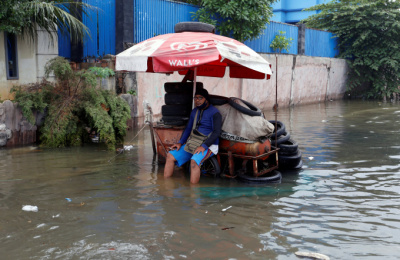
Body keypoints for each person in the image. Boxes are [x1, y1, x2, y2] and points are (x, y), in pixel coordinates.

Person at [164, 88, 222, 184]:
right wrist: (180, 142)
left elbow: (216, 132)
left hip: (209, 145)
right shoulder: (194, 111)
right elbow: (188, 128)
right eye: (195, 98)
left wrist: (204, 146)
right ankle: (166, 187)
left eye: (200, 98)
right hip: (193, 142)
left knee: (194, 162)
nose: (197, 100)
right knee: (170, 156)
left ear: (206, 99)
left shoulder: (215, 113)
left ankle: (193, 194)